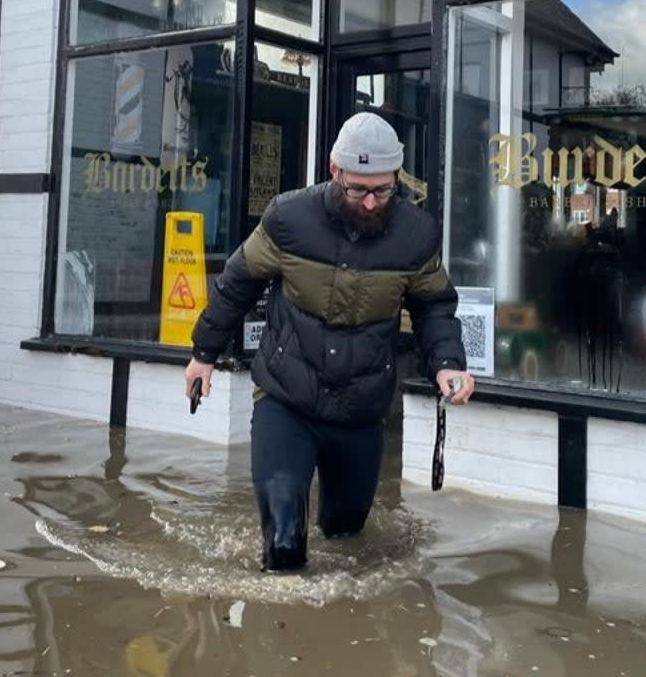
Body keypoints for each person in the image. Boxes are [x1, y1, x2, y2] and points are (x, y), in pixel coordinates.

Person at [183, 111, 474, 571]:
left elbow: (433, 306)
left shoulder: (417, 234)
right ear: (334, 171)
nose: (372, 202)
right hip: (287, 398)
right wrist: (204, 354)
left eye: (383, 189)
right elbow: (237, 282)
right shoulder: (288, 217)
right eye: (358, 189)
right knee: (283, 544)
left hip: (360, 409)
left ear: (397, 178)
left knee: (347, 542)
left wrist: (447, 363)